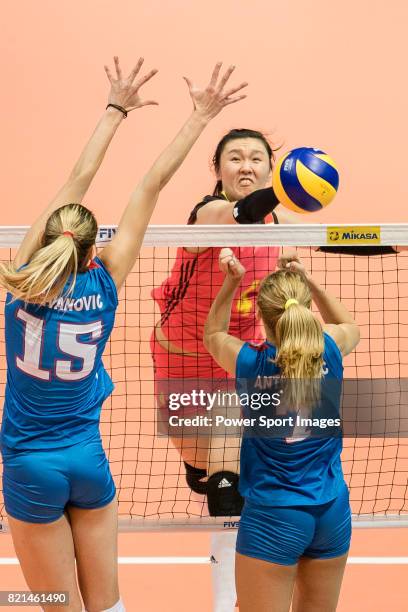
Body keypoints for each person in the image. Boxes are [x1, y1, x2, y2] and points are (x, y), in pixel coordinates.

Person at [0, 58, 246, 612]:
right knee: (108, 607)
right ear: (93, 250)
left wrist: (114, 110)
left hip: (29, 466)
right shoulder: (106, 283)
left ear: (48, 239)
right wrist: (200, 115)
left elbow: (76, 180)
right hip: (89, 461)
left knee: (59, 606)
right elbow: (151, 184)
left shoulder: (19, 282)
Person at [151, 125, 303, 609]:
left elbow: (326, 243)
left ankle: (231, 600)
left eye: (257, 158)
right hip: (185, 365)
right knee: (207, 474)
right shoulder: (210, 213)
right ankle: (212, 481)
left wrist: (393, 244)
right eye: (234, 158)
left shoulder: (274, 223)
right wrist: (284, 188)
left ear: (269, 167)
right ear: (217, 171)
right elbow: (238, 214)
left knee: (232, 485)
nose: (246, 166)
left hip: (241, 363)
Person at [203, 248, 360, 612]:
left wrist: (232, 281)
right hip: (332, 512)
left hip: (274, 518)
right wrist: (311, 283)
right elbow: (350, 326)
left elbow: (213, 333)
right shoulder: (331, 350)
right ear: (304, 310)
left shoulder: (251, 364)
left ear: (262, 317)